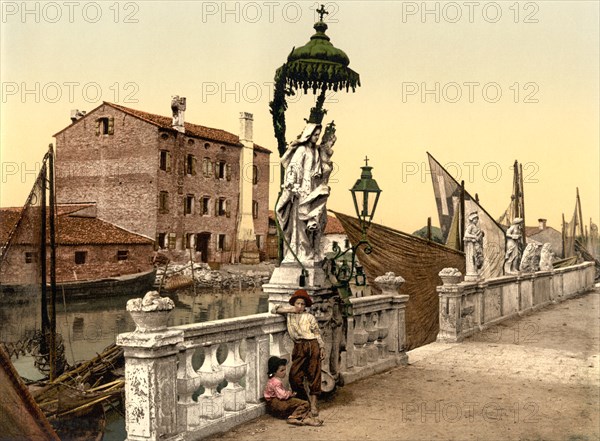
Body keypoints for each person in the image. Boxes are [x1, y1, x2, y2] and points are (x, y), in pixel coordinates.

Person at [276, 124, 332, 264]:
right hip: (301, 190)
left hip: (313, 188)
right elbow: (293, 168)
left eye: (318, 135)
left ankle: (312, 251)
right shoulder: (301, 149)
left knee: (318, 220)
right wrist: (292, 185)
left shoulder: (316, 151)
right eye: (315, 134)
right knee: (300, 222)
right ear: (308, 134)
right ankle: (301, 253)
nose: (317, 137)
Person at [271, 289, 325, 418]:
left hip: (312, 345)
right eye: (297, 303)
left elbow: (317, 333)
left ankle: (313, 405)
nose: (300, 307)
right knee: (294, 376)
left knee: (314, 374)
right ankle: (304, 401)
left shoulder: (309, 317)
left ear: (305, 305)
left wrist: (322, 347)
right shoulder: (290, 315)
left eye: (302, 304)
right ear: (293, 304)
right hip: (299, 346)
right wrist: (290, 310)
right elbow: (274, 309)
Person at [264, 356, 321, 426]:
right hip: (276, 404)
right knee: (304, 404)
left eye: (284, 370)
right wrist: (290, 394)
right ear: (274, 372)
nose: (284, 372)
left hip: (272, 405)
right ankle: (293, 418)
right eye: (281, 370)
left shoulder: (272, 380)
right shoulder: (276, 382)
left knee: (297, 404)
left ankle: (306, 419)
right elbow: (282, 395)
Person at [463, 210, 484, 278]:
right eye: (475, 219)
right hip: (473, 245)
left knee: (480, 258)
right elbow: (466, 234)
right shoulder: (471, 226)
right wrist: (474, 236)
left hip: (477, 244)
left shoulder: (476, 227)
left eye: (477, 219)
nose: (476, 220)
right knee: (474, 258)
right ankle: (473, 271)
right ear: (472, 219)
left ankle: (476, 270)